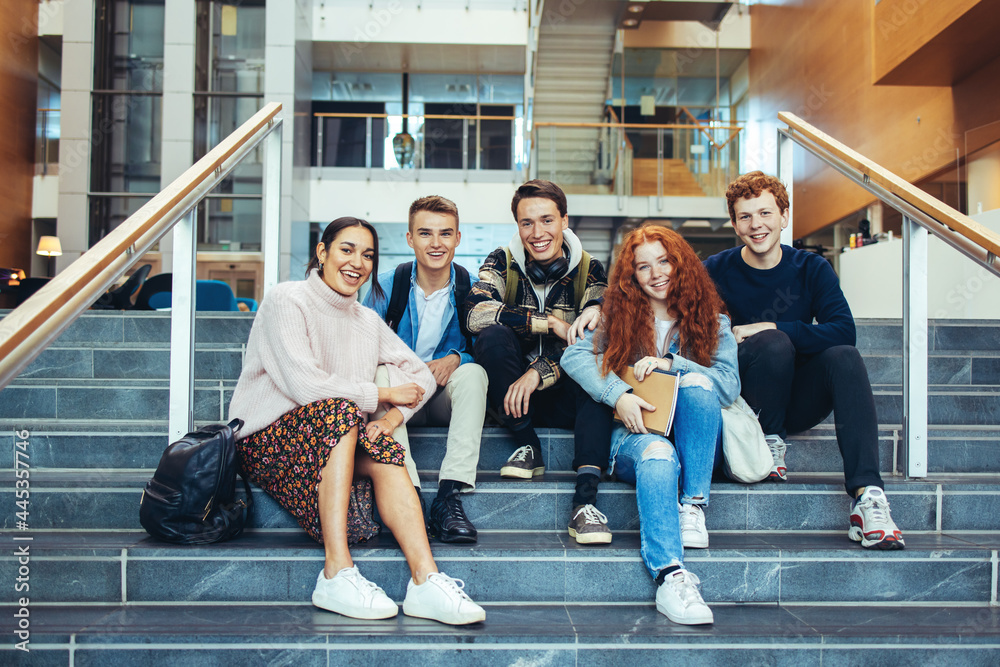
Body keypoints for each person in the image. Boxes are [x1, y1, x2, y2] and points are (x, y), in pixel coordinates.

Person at [228, 217, 486, 625]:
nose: (358, 262)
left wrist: (395, 416)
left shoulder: (365, 320)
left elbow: (419, 374)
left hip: (334, 435)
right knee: (342, 411)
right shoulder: (286, 300)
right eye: (346, 250)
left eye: (367, 255)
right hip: (268, 438)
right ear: (322, 253)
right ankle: (335, 572)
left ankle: (425, 580)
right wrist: (383, 395)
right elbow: (307, 385)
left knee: (387, 452)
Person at [704, 171, 905, 550]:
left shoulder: (811, 268)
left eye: (765, 213)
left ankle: (868, 496)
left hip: (798, 398)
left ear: (784, 215)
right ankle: (767, 442)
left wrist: (770, 324)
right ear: (734, 223)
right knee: (774, 343)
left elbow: (844, 331)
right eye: (745, 217)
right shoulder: (716, 269)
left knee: (843, 356)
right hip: (742, 399)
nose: (756, 225)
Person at [562, 225, 739, 626]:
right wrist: (618, 395)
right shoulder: (618, 315)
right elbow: (574, 357)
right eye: (644, 267)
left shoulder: (713, 321)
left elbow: (728, 386)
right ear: (632, 276)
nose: (656, 273)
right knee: (659, 454)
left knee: (698, 382)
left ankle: (693, 506)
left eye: (664, 261)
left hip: (692, 442)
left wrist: (672, 364)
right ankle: (670, 576)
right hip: (635, 438)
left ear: (682, 264)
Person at [465, 179, 615, 545]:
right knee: (492, 336)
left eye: (547, 220)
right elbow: (475, 313)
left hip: (565, 394)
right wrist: (548, 323)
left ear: (565, 220)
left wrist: (537, 373)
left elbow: (591, 339)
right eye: (526, 223)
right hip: (511, 399)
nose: (537, 233)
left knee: (596, 366)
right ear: (517, 225)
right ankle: (528, 446)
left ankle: (585, 503)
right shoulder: (502, 260)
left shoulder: (591, 270)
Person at [364, 195, 488, 544]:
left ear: (458, 239)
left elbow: (487, 349)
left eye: (445, 234)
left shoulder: (473, 290)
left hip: (439, 400)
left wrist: (457, 358)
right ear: (409, 239)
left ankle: (448, 495)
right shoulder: (386, 285)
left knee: (475, 372)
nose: (436, 244)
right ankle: (410, 495)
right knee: (378, 374)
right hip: (395, 398)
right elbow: (361, 348)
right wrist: (404, 373)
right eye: (425, 234)